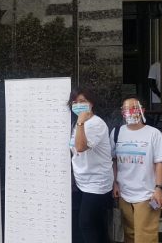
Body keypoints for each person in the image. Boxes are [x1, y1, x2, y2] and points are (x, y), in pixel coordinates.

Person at [112, 95, 162, 243]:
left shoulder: (154, 133)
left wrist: (158, 188)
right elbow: (114, 160)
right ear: (122, 112)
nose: (130, 111)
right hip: (124, 194)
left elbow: (160, 162)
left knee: (145, 237)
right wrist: (114, 183)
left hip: (147, 194)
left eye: (134, 108)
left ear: (142, 110)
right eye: (126, 109)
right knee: (129, 235)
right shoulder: (117, 132)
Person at [68, 88, 113, 243]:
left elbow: (80, 147)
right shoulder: (75, 124)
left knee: (86, 223)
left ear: (91, 103)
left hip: (97, 183)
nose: (78, 105)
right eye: (74, 102)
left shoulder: (95, 123)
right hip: (83, 181)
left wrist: (81, 121)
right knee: (97, 224)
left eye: (82, 101)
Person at [148, 61, 162, 127]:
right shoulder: (155, 66)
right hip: (158, 100)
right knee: (158, 120)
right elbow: (151, 84)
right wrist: (160, 95)